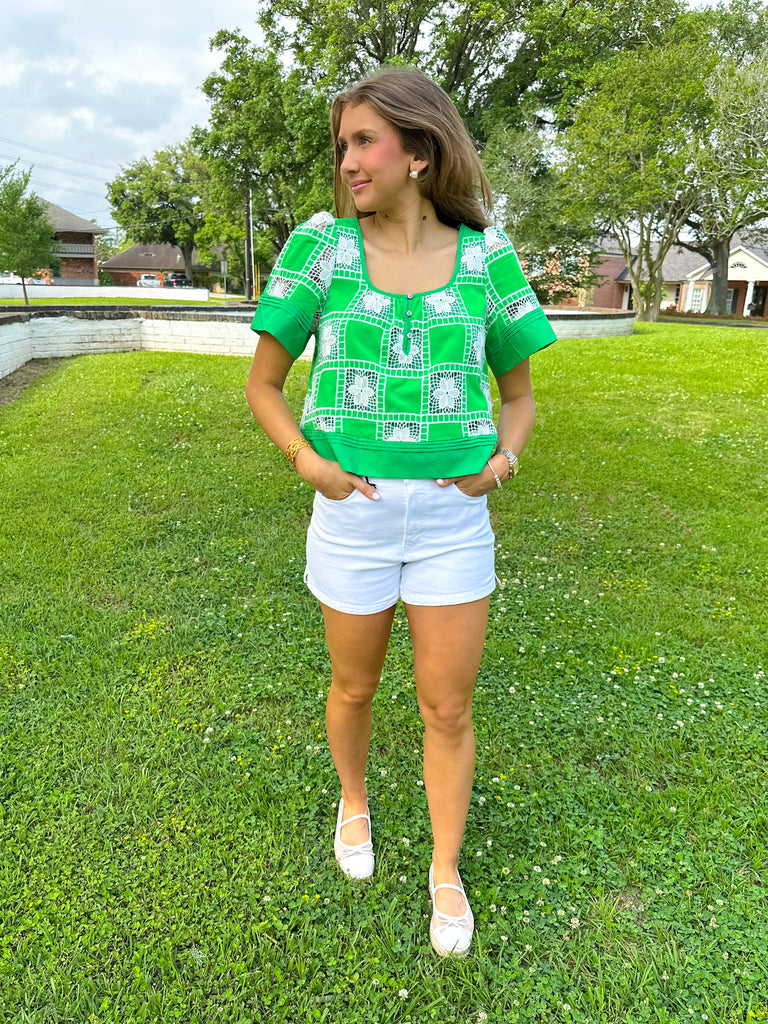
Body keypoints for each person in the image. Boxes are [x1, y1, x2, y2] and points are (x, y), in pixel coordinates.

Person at [245, 66, 556, 958]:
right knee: (354, 687)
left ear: (419, 151)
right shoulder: (321, 249)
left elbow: (520, 396)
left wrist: (502, 462)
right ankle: (354, 800)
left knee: (447, 708)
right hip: (355, 515)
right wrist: (312, 466)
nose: (347, 161)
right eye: (342, 145)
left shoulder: (486, 256)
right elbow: (264, 386)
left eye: (364, 142)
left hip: (454, 523)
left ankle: (445, 870)